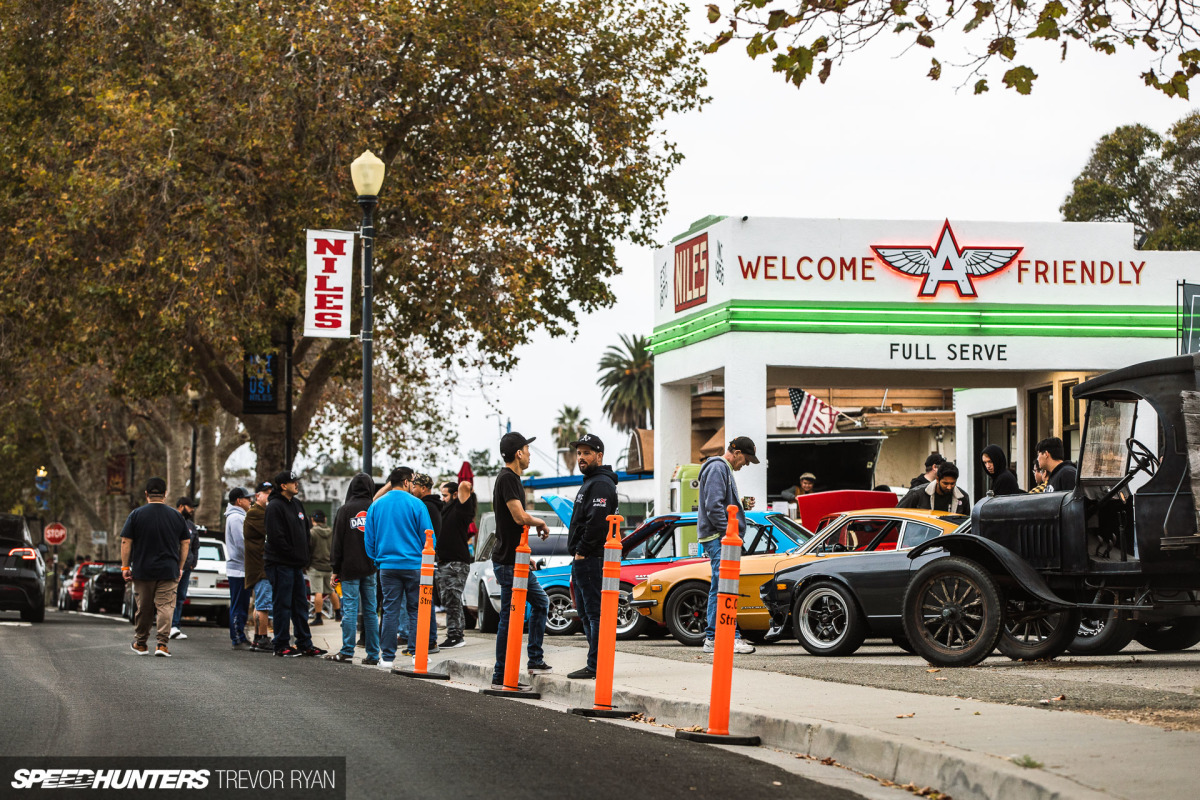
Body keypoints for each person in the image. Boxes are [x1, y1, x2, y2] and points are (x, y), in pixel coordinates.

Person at [491, 431, 553, 687]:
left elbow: (511, 525)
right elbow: (518, 516)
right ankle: (501, 675)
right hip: (507, 562)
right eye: (527, 450)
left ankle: (534, 659)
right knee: (510, 616)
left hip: (513, 559)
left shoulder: (511, 479)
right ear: (518, 453)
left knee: (540, 603)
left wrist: (523, 554)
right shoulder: (508, 478)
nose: (529, 455)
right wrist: (540, 521)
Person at [366, 467, 436, 670]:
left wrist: (378, 560)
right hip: (415, 565)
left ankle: (387, 657)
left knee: (389, 610)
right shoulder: (417, 504)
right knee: (416, 610)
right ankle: (417, 653)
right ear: (406, 482)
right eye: (412, 481)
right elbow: (429, 537)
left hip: (387, 566)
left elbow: (369, 540)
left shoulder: (376, 506)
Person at [696, 436, 759, 655]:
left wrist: (739, 506)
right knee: (724, 588)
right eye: (747, 460)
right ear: (738, 453)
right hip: (719, 537)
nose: (746, 464)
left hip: (717, 536)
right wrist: (729, 532)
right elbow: (713, 506)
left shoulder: (719, 469)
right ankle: (724, 637)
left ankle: (716, 637)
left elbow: (716, 504)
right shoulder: (718, 468)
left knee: (720, 587)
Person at [565, 434, 620, 680]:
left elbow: (597, 523)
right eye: (579, 453)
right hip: (584, 559)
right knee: (586, 613)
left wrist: (581, 551)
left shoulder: (600, 484)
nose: (581, 457)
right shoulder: (591, 482)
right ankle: (595, 661)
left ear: (599, 456)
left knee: (594, 613)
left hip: (592, 558)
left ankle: (596, 664)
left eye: (587, 453)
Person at [121, 477, 191, 657]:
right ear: (165, 494)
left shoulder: (136, 514)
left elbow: (126, 541)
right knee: (166, 607)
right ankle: (162, 644)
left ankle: (141, 643)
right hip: (168, 569)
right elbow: (185, 542)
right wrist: (180, 566)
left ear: (146, 494)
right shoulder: (176, 516)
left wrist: (125, 567)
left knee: (144, 607)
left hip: (143, 570)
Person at [264, 470, 324, 658]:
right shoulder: (274, 506)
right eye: (293, 482)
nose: (297, 484)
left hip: (297, 565)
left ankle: (304, 643)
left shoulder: (297, 504)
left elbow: (305, 533)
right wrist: (293, 555)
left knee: (300, 605)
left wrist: (304, 556)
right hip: (280, 564)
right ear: (283, 486)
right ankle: (281, 644)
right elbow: (276, 538)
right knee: (282, 604)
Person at [328, 473, 380, 665]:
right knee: (371, 611)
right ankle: (373, 654)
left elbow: (337, 542)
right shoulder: (375, 509)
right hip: (371, 567)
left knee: (349, 609)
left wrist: (335, 568)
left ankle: (347, 650)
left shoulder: (344, 510)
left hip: (349, 568)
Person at [436, 478, 476, 649]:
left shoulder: (462, 508)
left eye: (445, 495)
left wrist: (459, 490)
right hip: (446, 562)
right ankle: (457, 633)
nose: (442, 498)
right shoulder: (444, 510)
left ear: (454, 495)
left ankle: (455, 636)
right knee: (450, 599)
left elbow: (465, 486)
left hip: (456, 563)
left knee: (452, 599)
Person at [410, 473, 442, 643]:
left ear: (423, 488)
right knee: (425, 599)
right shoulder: (435, 506)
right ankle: (429, 638)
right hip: (429, 557)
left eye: (414, 486)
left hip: (423, 558)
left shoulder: (424, 507)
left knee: (423, 600)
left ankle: (428, 639)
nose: (412, 490)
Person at [243, 481, 273, 652]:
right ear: (257, 496)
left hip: (258, 565)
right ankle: (262, 638)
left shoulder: (259, 512)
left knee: (259, 603)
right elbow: (272, 530)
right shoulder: (256, 513)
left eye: (270, 492)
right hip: (260, 566)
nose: (268, 495)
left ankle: (257, 638)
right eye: (265, 492)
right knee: (263, 605)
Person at [224, 487, 253, 650]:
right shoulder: (236, 517)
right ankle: (237, 638)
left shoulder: (239, 516)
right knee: (239, 605)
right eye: (247, 498)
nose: (250, 501)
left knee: (242, 604)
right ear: (238, 501)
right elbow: (241, 543)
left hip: (241, 567)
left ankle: (240, 636)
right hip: (239, 568)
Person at [169, 496, 200, 641]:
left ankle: (175, 626)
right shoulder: (170, 522)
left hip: (186, 567)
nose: (192, 510)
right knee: (170, 596)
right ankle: (168, 626)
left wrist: (194, 562)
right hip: (172, 567)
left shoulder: (191, 526)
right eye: (190, 507)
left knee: (180, 597)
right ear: (181, 506)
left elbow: (195, 546)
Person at [307, 509, 340, 626]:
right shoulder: (331, 531)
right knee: (331, 591)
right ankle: (338, 614)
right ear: (325, 519)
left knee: (318, 592)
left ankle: (318, 617)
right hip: (329, 566)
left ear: (313, 520)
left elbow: (308, 549)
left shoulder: (312, 533)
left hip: (316, 566)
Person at [898, 461, 971, 513]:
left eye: (952, 484)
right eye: (945, 483)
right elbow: (898, 515)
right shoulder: (917, 494)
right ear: (937, 479)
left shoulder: (963, 497)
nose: (949, 487)